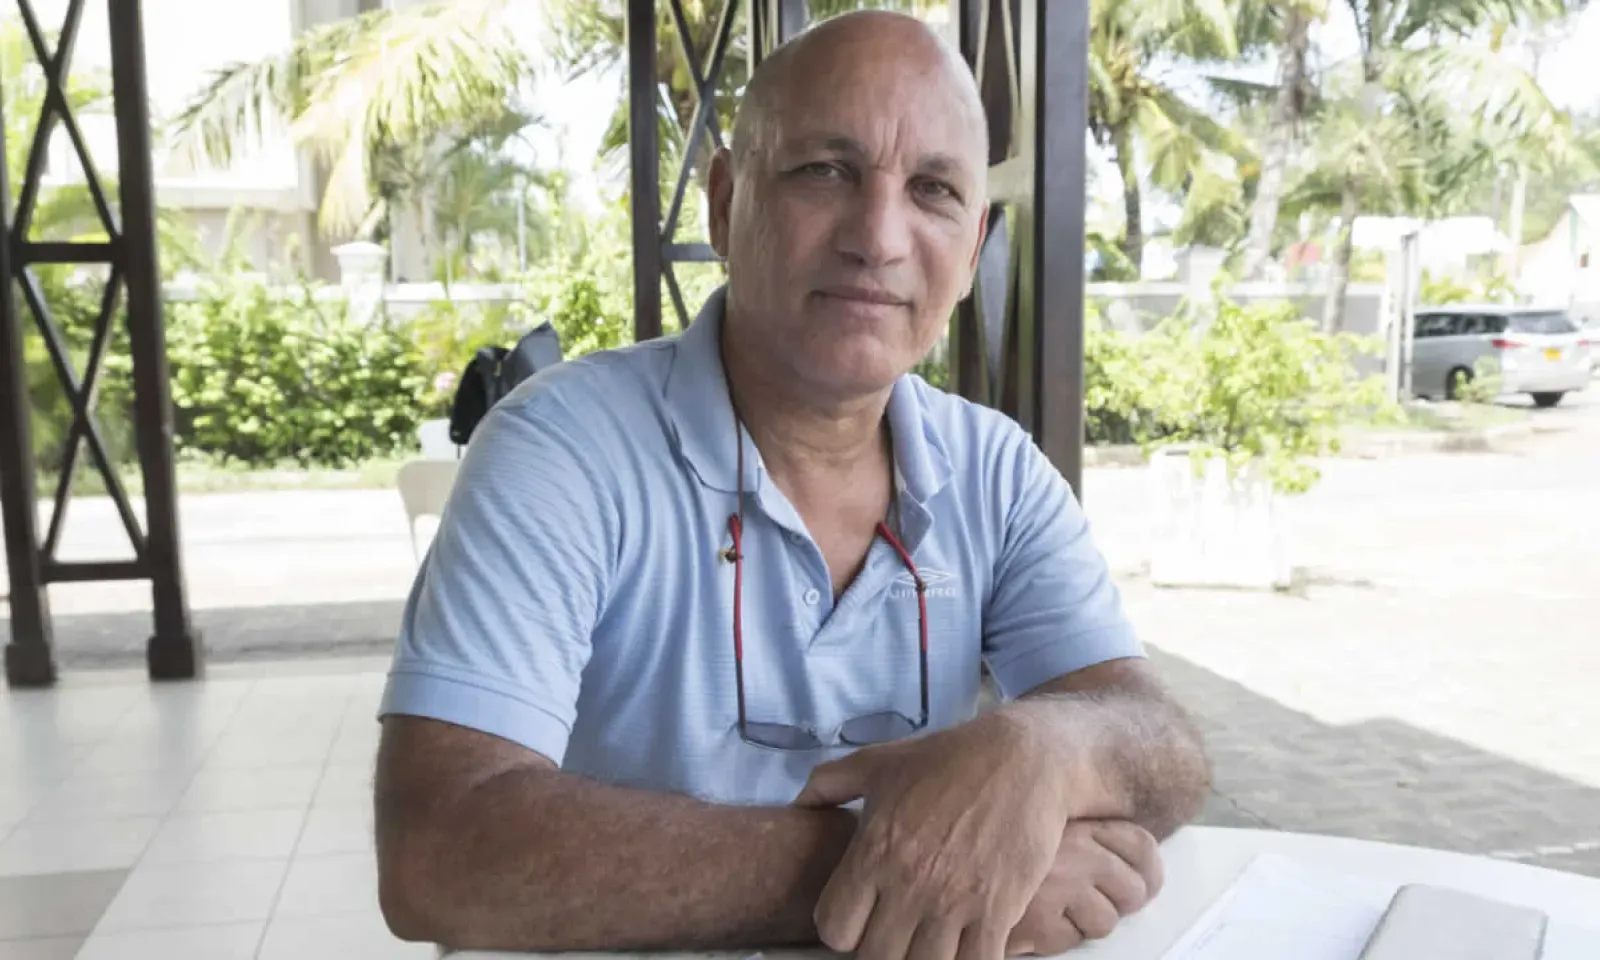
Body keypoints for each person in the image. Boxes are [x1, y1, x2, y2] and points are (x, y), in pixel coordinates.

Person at [374, 10, 1211, 959]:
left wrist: (1048, 748)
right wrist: (908, 864)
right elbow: (438, 853)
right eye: (825, 171)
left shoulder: (997, 472)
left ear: (972, 247)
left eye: (933, 190)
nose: (878, 237)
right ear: (724, 205)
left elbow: (1161, 742)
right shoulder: (562, 450)